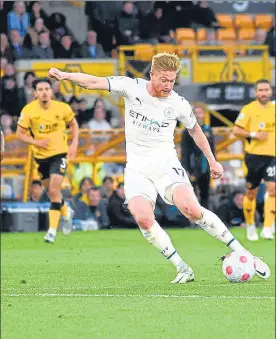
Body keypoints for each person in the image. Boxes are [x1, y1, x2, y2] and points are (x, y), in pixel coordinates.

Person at [48, 53, 270, 283]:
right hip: (136, 168)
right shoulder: (131, 87)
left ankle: (247, 254)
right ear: (152, 75)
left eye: (172, 80)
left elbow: (195, 130)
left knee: (191, 209)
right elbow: (94, 81)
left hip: (166, 163)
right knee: (143, 218)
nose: (168, 85)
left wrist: (212, 160)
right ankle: (182, 267)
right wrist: (65, 76)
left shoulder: (178, 103)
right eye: (163, 79)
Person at [16, 78, 79, 244]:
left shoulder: (62, 108)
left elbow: (74, 125)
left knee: (53, 189)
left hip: (59, 154)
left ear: (52, 91)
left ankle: (51, 231)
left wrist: (74, 144)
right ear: (35, 93)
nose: (44, 92)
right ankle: (66, 212)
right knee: (52, 193)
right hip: (41, 156)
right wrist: (36, 142)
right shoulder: (28, 110)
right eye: (40, 89)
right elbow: (19, 134)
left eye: (46, 88)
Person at [233, 79, 275, 241]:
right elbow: (236, 130)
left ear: (270, 91)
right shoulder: (249, 109)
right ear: (256, 92)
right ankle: (250, 225)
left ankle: (267, 228)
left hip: (272, 156)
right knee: (252, 193)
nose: (264, 93)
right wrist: (254, 134)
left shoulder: (274, 108)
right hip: (254, 157)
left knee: (273, 190)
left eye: (266, 90)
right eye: (260, 90)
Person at [181, 104, 215, 209]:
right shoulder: (187, 131)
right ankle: (192, 220)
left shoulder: (208, 130)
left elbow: (212, 149)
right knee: (192, 194)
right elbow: (185, 151)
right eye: (196, 113)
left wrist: (214, 165)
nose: (198, 115)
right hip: (193, 166)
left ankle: (205, 220)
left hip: (206, 167)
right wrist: (185, 168)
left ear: (204, 114)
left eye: (200, 113)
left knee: (205, 193)